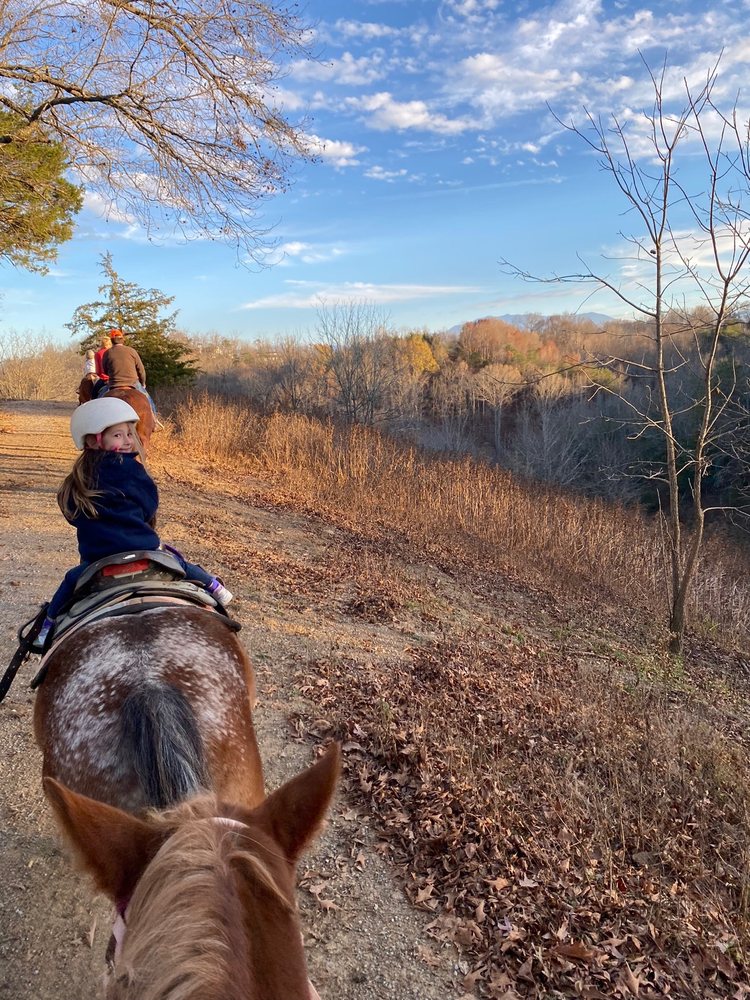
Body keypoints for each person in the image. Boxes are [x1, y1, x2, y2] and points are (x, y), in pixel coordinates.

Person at [32, 397, 232, 651]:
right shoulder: (133, 470)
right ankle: (213, 586)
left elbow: (72, 514)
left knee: (70, 582)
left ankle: (47, 625)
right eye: (118, 435)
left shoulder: (78, 478)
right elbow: (150, 504)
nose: (127, 440)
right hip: (144, 549)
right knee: (178, 562)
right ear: (95, 439)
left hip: (97, 560)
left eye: (129, 433)